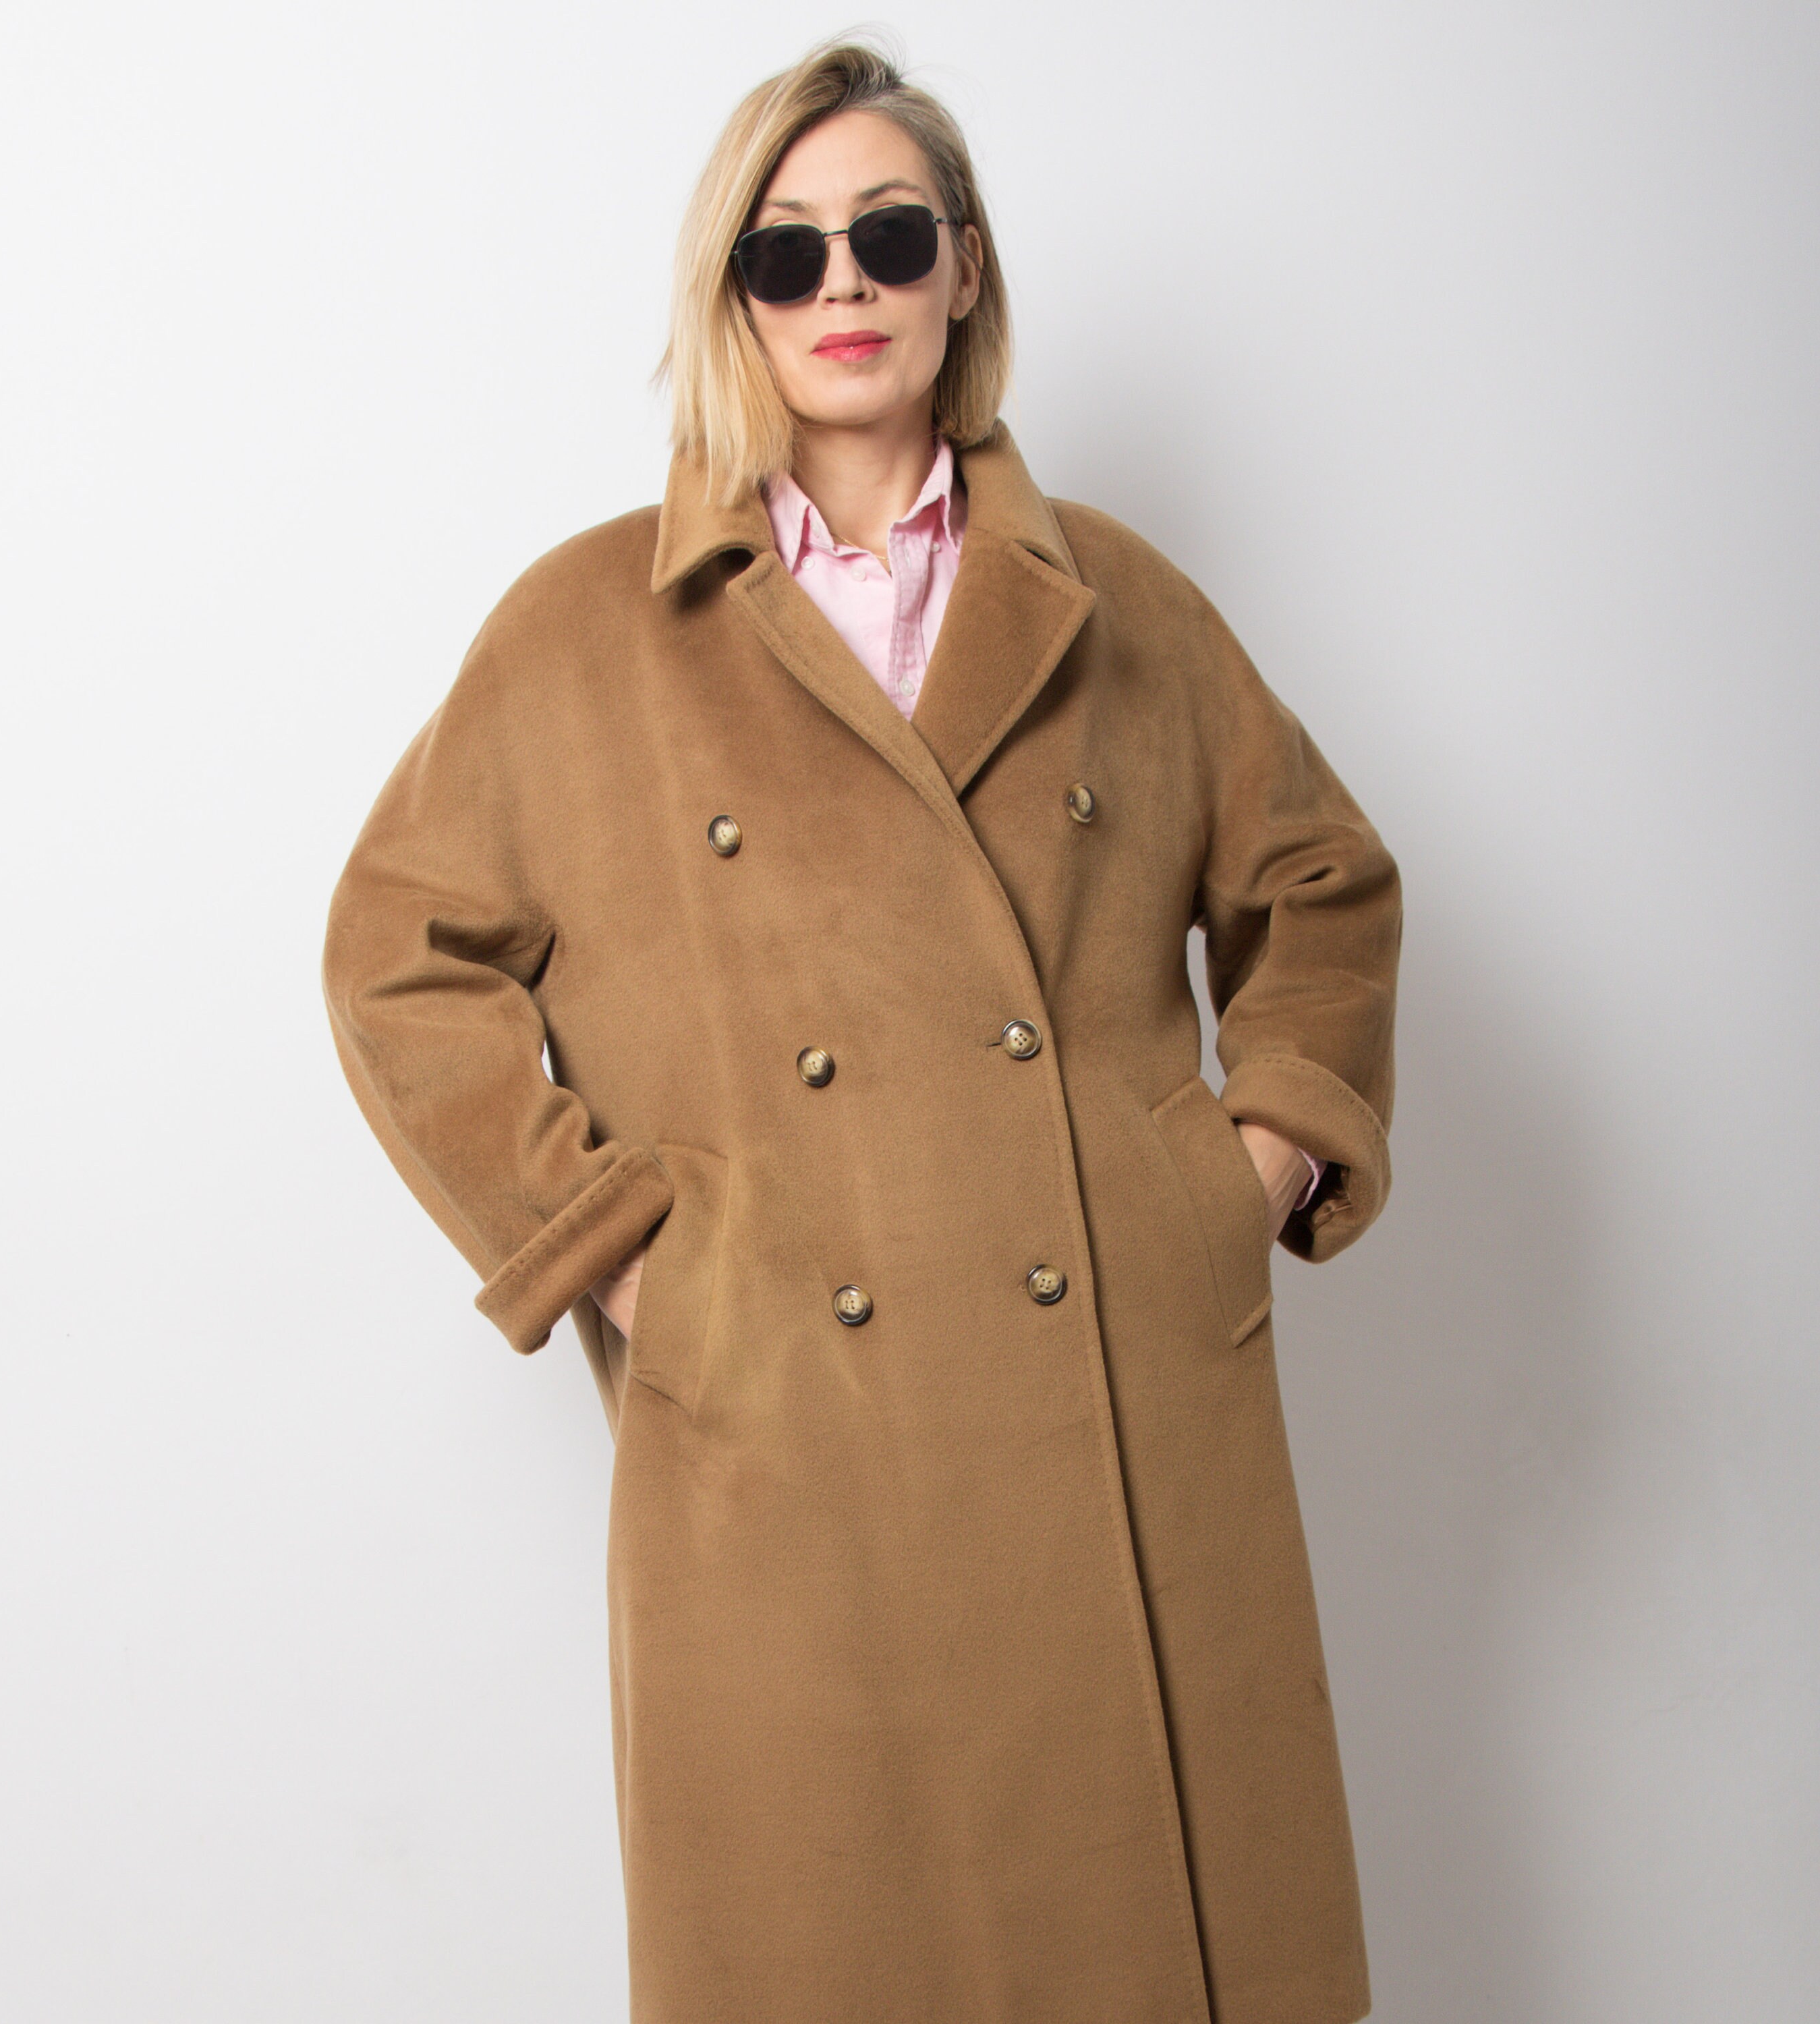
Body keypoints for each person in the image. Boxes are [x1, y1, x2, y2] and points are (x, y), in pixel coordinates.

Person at [324, 37, 1400, 2024]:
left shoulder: (1119, 604)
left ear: (963, 268)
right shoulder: (589, 631)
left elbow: (1321, 884)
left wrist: (1230, 1183)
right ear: (729, 293)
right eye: (785, 249)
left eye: (890, 237)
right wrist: (628, 1259)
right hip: (787, 1440)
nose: (844, 286)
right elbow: (399, 952)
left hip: (1121, 1407)